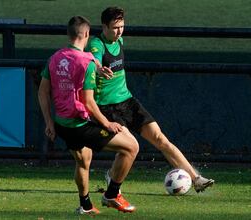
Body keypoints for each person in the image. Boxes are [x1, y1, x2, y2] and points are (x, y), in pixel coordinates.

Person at [86, 6, 214, 193]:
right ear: (104, 26)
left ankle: (196, 179)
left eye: (122, 26)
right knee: (129, 147)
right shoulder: (97, 43)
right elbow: (92, 58)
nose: (119, 31)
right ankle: (113, 180)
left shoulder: (120, 40)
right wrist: (98, 68)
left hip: (128, 102)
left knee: (160, 139)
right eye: (114, 27)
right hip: (107, 107)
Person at [38, 15, 139, 215]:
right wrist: (107, 124)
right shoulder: (86, 63)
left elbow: (42, 91)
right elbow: (89, 103)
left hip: (61, 124)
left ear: (69, 35)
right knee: (131, 148)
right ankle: (112, 193)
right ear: (85, 34)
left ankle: (85, 205)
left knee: (83, 160)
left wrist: (49, 122)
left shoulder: (55, 57)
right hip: (79, 125)